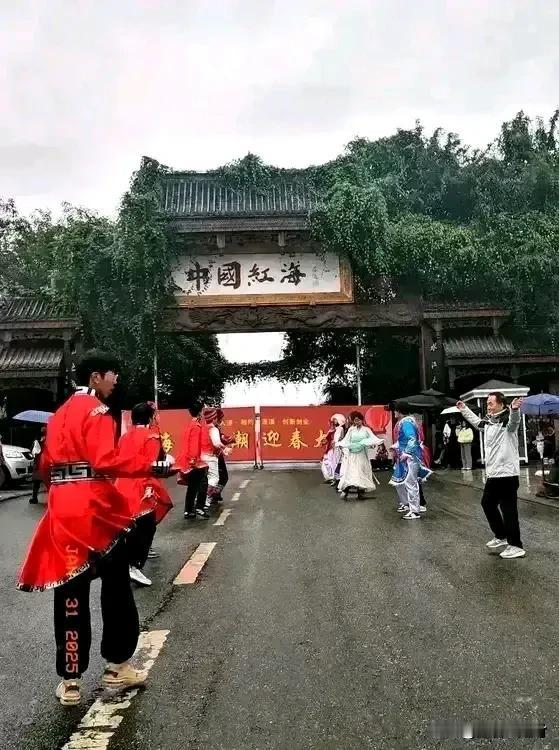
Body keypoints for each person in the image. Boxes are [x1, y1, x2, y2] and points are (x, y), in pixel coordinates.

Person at [16, 350, 171, 706]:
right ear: (95, 377)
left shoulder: (58, 417)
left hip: (62, 510)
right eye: (111, 374)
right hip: (95, 511)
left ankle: (70, 681)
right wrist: (151, 463)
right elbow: (104, 460)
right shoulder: (98, 412)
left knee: (70, 594)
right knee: (116, 588)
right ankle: (118, 668)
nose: (115, 380)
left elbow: (46, 466)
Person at [457, 392, 525, 559]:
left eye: (491, 403)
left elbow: (514, 422)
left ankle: (516, 545)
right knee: (487, 503)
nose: (488, 406)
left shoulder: (507, 421)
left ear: (501, 404)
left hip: (507, 474)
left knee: (508, 510)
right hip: (494, 474)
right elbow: (476, 422)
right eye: (487, 403)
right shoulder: (488, 422)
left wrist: (514, 410)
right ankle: (501, 536)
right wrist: (464, 409)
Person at [115, 402, 174, 587]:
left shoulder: (124, 437)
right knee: (147, 525)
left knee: (130, 525)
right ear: (150, 418)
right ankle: (134, 565)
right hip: (141, 486)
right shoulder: (152, 436)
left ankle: (126, 562)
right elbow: (151, 465)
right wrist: (168, 462)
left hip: (121, 485)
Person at [389, 402, 432, 520]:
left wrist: (406, 452)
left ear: (400, 411)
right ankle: (412, 508)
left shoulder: (406, 422)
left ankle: (414, 510)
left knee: (410, 483)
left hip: (409, 457)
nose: (394, 412)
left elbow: (412, 439)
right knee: (405, 483)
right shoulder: (408, 421)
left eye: (396, 410)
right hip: (408, 456)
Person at [176, 403, 211, 520]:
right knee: (203, 482)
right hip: (195, 460)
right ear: (200, 412)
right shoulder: (196, 426)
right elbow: (194, 444)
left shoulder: (189, 425)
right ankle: (199, 507)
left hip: (188, 458)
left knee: (192, 486)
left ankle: (189, 510)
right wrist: (193, 459)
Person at [336, 411, 382, 500]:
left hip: (362, 454)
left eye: (359, 420)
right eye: (355, 420)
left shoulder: (366, 430)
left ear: (362, 420)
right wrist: (341, 444)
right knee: (351, 472)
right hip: (352, 454)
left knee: (361, 471)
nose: (357, 422)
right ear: (353, 421)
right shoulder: (351, 430)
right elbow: (346, 440)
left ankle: (360, 492)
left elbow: (372, 438)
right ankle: (346, 490)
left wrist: (375, 443)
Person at [321, 414, 346, 485]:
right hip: (330, 448)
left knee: (334, 463)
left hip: (336, 448)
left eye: (335, 419)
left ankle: (336, 479)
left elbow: (336, 439)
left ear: (340, 420)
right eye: (333, 419)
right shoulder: (333, 429)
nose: (333, 421)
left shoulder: (340, 429)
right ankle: (330, 477)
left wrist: (334, 442)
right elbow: (328, 439)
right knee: (326, 462)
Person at [29, 425, 47, 504]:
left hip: (40, 462)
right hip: (45, 462)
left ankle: (34, 497)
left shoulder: (37, 441)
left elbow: (34, 452)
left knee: (37, 481)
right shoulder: (49, 439)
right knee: (46, 481)